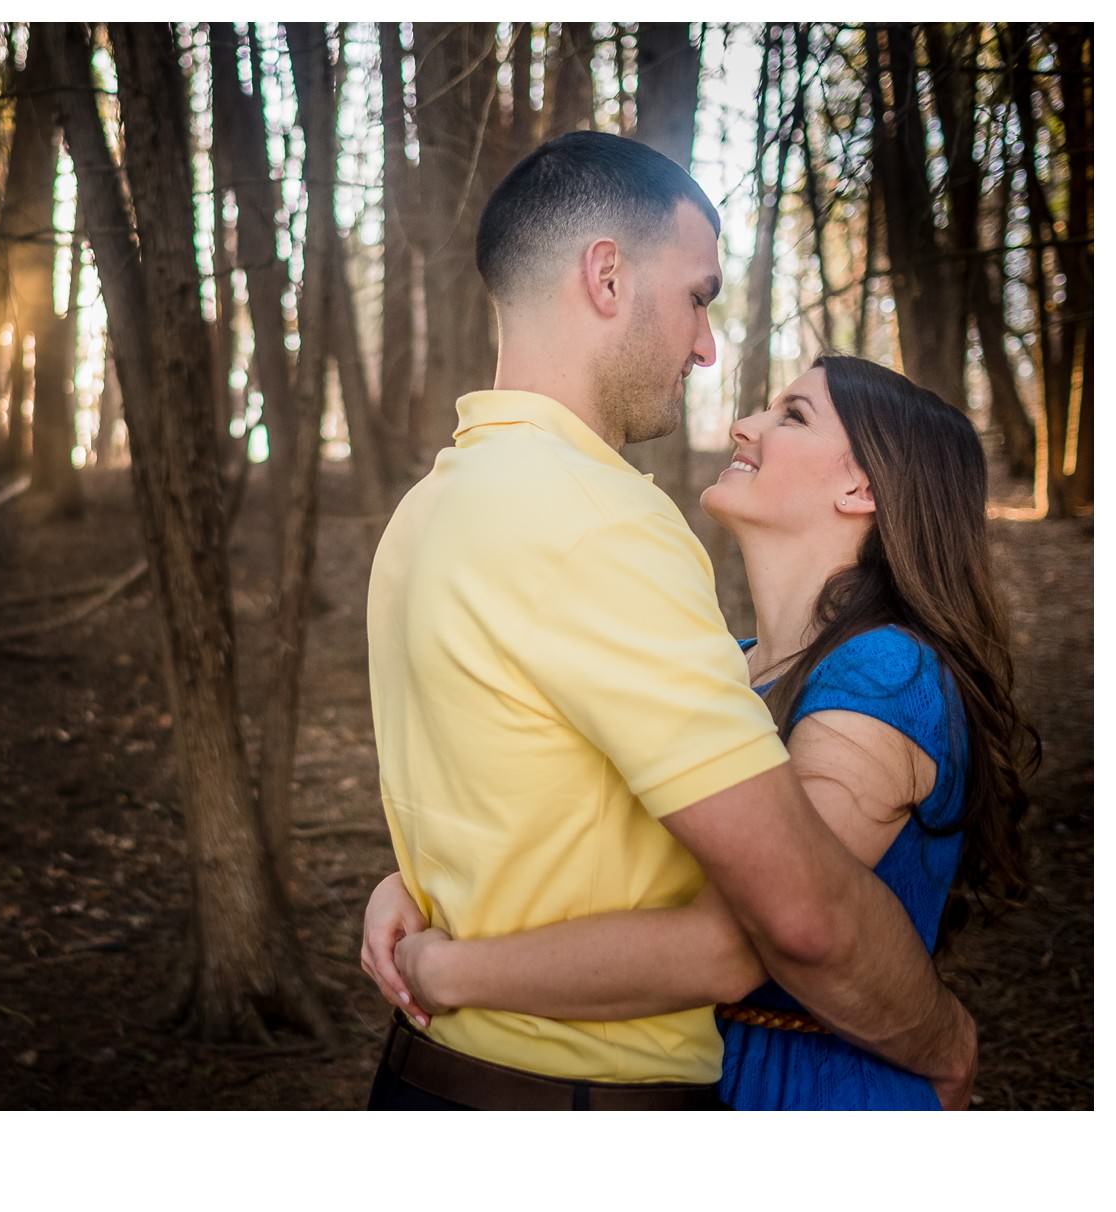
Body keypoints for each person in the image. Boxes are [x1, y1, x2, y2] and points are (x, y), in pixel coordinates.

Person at [358, 129, 979, 1111]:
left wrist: (431, 915)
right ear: (605, 276)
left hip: (433, 1081)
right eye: (697, 296)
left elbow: (521, 797)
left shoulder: (425, 511)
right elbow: (795, 916)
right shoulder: (599, 519)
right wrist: (946, 1038)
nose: (704, 347)